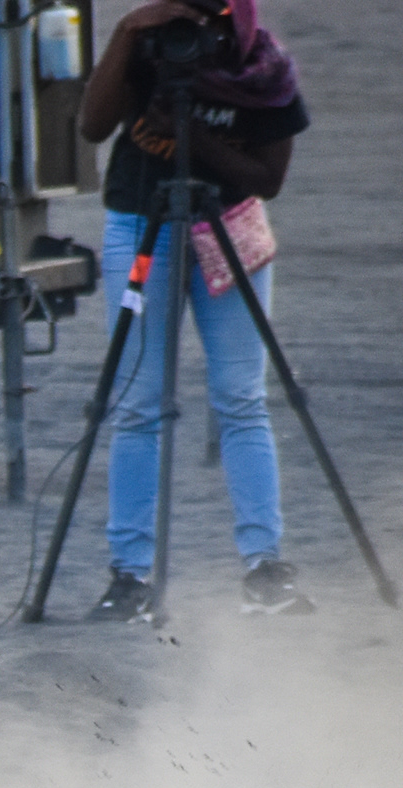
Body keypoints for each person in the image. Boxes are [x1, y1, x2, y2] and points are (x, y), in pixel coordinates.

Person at [78, 0, 311, 621]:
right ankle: (129, 575)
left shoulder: (264, 66)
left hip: (229, 225)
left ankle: (264, 567)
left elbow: (267, 179)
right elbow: (92, 126)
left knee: (241, 397)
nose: (195, 34)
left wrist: (192, 138)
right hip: (139, 220)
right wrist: (128, 33)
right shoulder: (146, 45)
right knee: (137, 404)